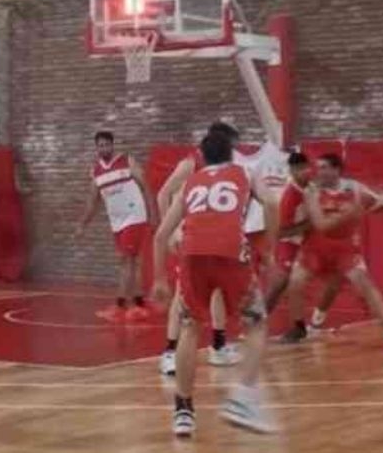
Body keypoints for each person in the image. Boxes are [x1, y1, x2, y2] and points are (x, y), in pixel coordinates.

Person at [154, 131, 280, 436]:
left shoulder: (191, 183)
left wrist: (159, 278)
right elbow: (272, 202)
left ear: (202, 155)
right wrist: (268, 249)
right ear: (232, 153)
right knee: (257, 322)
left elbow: (160, 236)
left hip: (193, 255)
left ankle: (183, 411)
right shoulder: (245, 173)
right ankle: (243, 399)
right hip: (230, 253)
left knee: (189, 327)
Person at [280, 153, 383, 350]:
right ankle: (298, 327)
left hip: (345, 249)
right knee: (295, 282)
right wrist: (347, 214)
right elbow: (321, 225)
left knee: (364, 284)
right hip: (314, 247)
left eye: (324, 167)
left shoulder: (355, 188)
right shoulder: (312, 192)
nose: (319, 172)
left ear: (336, 170)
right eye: (318, 168)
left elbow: (378, 202)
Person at [154, 122, 246, 374]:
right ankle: (170, 352)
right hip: (188, 236)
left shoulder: (225, 170)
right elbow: (163, 194)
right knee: (182, 295)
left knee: (217, 290)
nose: (234, 151)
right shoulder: (190, 164)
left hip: (211, 238)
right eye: (232, 145)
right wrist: (172, 230)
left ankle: (218, 345)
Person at [75, 131, 157, 322]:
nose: (103, 148)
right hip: (117, 222)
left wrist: (153, 214)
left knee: (125, 260)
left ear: (112, 145)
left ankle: (120, 306)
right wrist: (82, 224)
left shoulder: (127, 161)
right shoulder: (96, 171)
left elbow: (146, 186)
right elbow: (92, 201)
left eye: (106, 145)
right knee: (132, 260)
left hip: (134, 216)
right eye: (100, 145)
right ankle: (139, 303)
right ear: (96, 148)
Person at [264, 152, 341, 319]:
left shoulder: (312, 186)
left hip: (310, 239)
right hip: (290, 241)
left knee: (336, 275)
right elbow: (280, 232)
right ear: (292, 171)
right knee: (280, 283)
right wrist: (310, 223)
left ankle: (318, 318)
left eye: (306, 168)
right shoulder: (289, 197)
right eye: (299, 169)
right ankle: (256, 322)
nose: (304, 172)